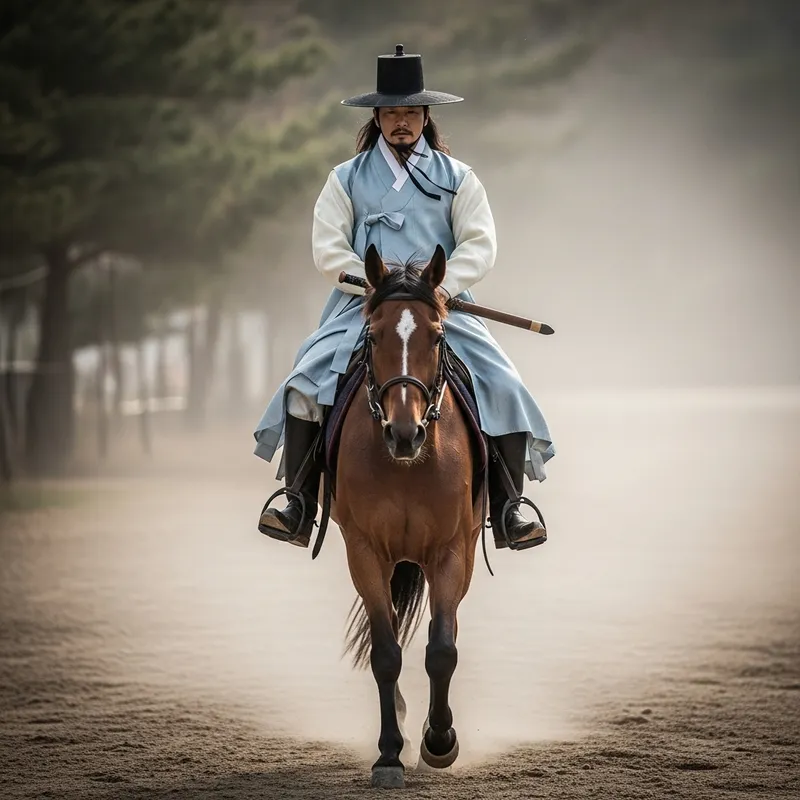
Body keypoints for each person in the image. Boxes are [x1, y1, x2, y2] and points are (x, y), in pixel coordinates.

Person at [254, 44, 555, 551]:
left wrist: (438, 287)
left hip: (441, 309)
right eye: (392, 112)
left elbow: (480, 245)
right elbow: (328, 250)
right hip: (364, 309)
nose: (401, 122)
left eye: (410, 112)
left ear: (424, 116)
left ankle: (509, 508)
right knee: (303, 384)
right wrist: (373, 283)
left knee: (504, 383)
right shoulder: (344, 179)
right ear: (377, 116)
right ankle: (298, 502)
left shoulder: (459, 179)